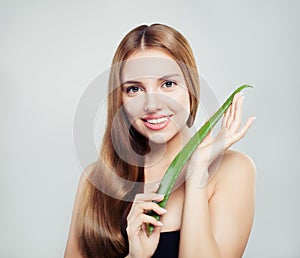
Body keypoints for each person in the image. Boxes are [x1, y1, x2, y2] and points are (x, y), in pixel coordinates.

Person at [65, 23, 256, 258]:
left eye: (168, 84)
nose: (152, 105)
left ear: (192, 88)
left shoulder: (233, 170)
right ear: (121, 100)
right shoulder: (95, 180)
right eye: (134, 89)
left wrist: (197, 172)